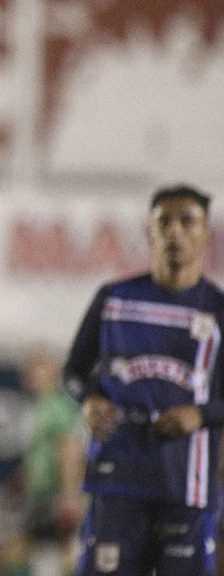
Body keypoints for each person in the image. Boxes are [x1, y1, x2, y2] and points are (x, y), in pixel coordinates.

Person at [63, 184, 224, 576]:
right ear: (148, 232)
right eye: (163, 222)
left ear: (206, 233)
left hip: (186, 486)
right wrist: (87, 400)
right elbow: (73, 372)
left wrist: (201, 415)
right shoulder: (114, 299)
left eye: (187, 222)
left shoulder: (218, 310)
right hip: (116, 481)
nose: (175, 232)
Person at [0, 349, 83, 576]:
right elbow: (39, 453)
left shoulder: (57, 407)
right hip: (41, 492)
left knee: (19, 549)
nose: (31, 375)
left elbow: (69, 449)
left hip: (52, 494)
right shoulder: (41, 405)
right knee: (63, 552)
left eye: (39, 368)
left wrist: (69, 494)